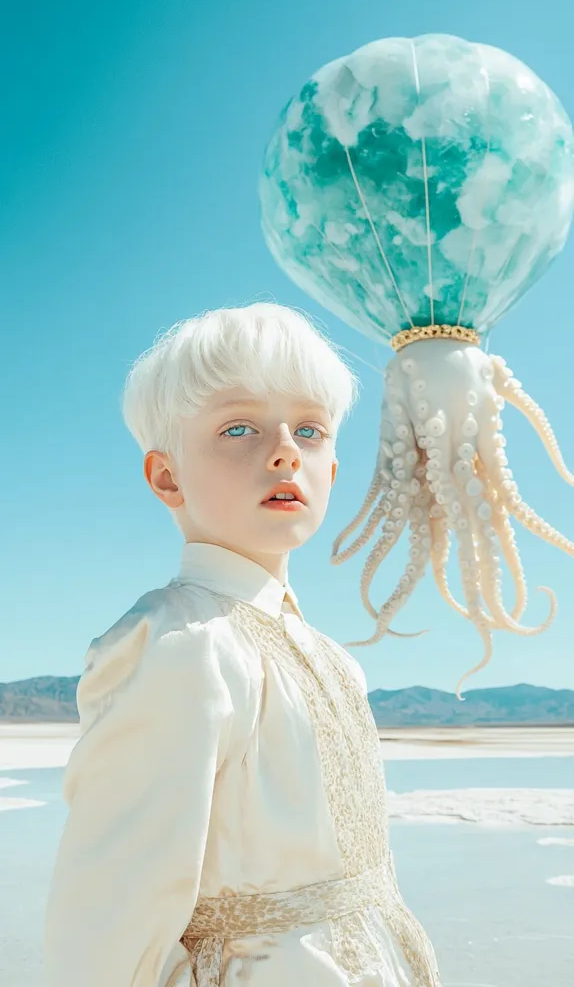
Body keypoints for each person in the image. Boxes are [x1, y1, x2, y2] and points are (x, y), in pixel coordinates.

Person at [44, 302, 440, 987]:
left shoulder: (332, 659)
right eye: (239, 428)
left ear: (332, 472)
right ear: (167, 476)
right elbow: (103, 938)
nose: (285, 451)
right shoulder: (180, 643)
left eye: (310, 430)